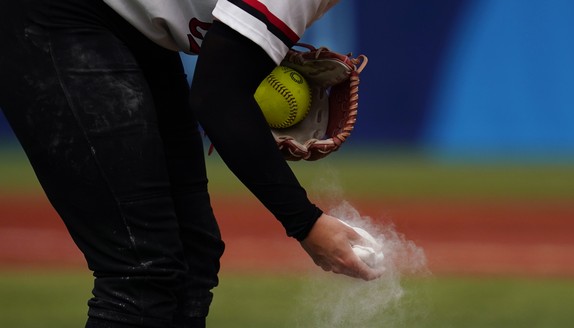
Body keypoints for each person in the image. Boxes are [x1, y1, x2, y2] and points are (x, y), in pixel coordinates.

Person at [0, 0, 382, 327]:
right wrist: (305, 222)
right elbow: (217, 97)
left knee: (190, 260)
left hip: (133, 27)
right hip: (55, 16)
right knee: (142, 269)